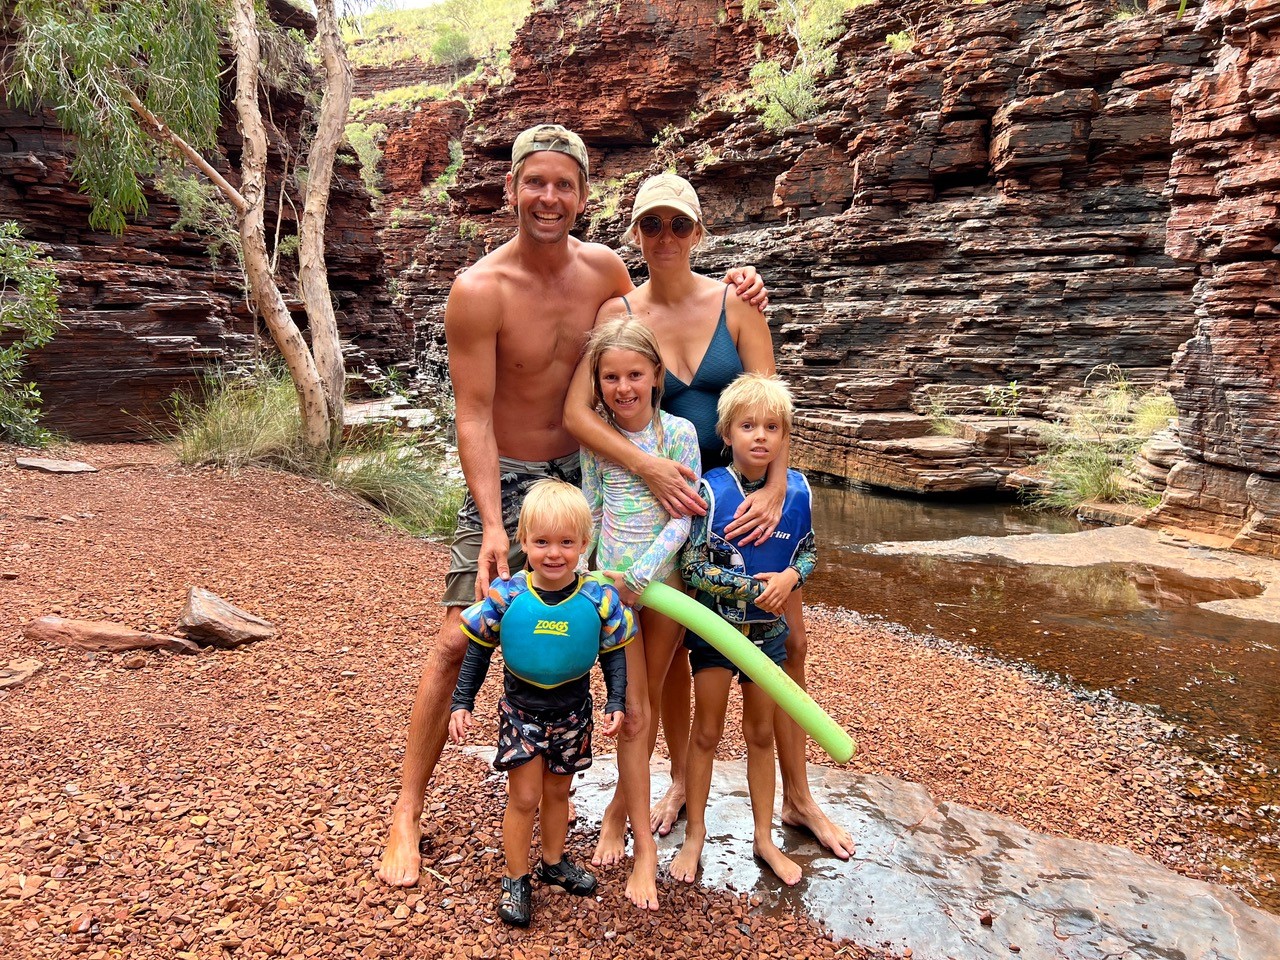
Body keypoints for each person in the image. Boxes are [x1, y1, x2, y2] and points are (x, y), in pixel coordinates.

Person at [377, 124, 765, 912]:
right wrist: (492, 522)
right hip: (517, 482)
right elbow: (475, 417)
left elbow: (645, 342)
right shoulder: (478, 289)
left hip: (596, 480)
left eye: (564, 185)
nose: (548, 198)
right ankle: (406, 811)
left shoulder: (604, 273)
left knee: (622, 638)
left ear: (584, 196)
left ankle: (604, 807)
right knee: (458, 638)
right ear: (512, 189)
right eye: (535, 183)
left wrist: (741, 287)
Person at [563, 173, 853, 862]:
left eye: (679, 224)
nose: (666, 237)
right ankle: (673, 787)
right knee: (669, 660)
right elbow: (578, 412)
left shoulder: (739, 304)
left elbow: (772, 404)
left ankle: (800, 797)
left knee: (788, 645)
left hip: (749, 508)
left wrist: (779, 488)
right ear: (635, 234)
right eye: (652, 225)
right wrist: (649, 470)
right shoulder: (619, 315)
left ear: (699, 232)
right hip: (672, 511)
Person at [448, 480, 633, 927]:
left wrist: (617, 699)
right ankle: (516, 877)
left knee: (557, 792)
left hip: (573, 714)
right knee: (525, 796)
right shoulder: (507, 595)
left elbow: (613, 653)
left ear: (584, 544)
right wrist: (461, 701)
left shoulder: (598, 597)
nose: (554, 553)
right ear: (523, 543)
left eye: (566, 543)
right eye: (542, 542)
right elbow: (477, 650)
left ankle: (553, 863)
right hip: (522, 714)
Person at [671, 373, 814, 885]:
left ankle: (764, 838)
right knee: (706, 732)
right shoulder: (709, 491)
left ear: (783, 436)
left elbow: (810, 550)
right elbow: (692, 568)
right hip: (716, 635)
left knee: (760, 735)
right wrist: (751, 589)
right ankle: (695, 837)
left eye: (771, 427)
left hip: (768, 639)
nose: (760, 436)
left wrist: (793, 576)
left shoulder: (796, 491)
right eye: (748, 426)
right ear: (726, 433)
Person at [579, 315, 700, 881]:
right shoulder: (599, 438)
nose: (623, 387)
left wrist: (642, 575)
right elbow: (594, 508)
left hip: (663, 586)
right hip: (612, 590)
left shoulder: (679, 434)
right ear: (598, 382)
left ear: (655, 374)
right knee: (631, 709)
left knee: (647, 695)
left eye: (634, 374)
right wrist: (589, 574)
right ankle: (620, 813)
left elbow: (682, 521)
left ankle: (617, 813)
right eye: (610, 377)